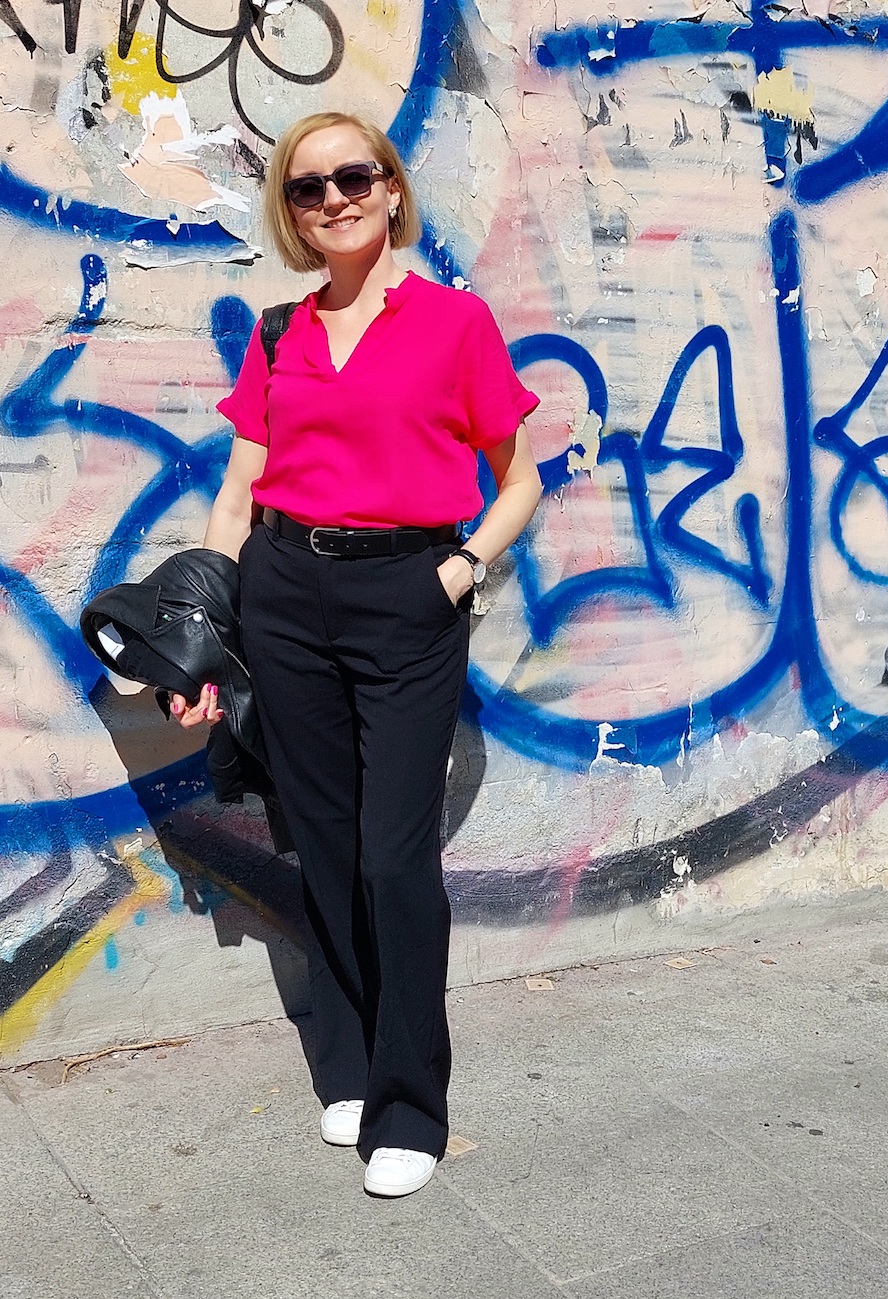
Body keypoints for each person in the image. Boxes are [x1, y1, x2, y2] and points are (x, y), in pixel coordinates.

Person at [172, 111, 541, 1198]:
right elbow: (236, 496)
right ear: (290, 213)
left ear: (390, 189)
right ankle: (346, 1061)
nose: (332, 198)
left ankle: (411, 1102)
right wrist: (205, 641)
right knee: (322, 843)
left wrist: (458, 570)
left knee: (392, 855)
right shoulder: (278, 332)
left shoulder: (456, 323)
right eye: (306, 187)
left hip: (405, 594)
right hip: (284, 592)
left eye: (352, 177)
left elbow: (519, 478)